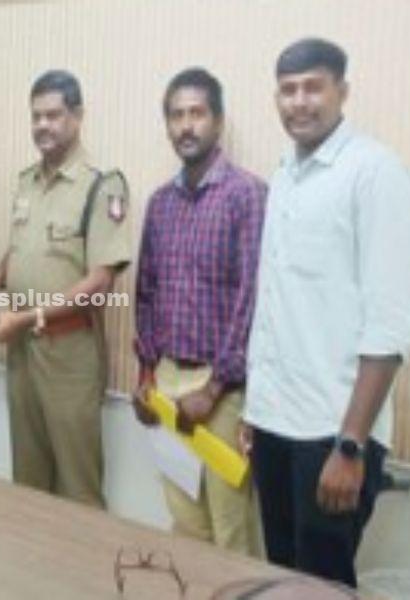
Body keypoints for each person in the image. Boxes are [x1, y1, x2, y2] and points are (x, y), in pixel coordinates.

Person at [244, 38, 410, 587]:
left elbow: (390, 326)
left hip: (332, 432)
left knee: (322, 585)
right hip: (275, 422)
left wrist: (351, 445)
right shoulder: (284, 174)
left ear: (343, 91)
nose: (299, 102)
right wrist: (256, 409)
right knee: (280, 577)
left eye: (313, 87)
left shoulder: (375, 172)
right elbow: (276, 302)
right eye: (287, 90)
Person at [0, 70, 132, 508]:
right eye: (36, 116)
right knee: (28, 479)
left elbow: (100, 282)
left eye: (53, 115)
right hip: (22, 351)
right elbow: (24, 246)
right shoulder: (26, 181)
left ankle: (81, 558)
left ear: (77, 116)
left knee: (77, 484)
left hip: (68, 354)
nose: (43, 125)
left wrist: (29, 316)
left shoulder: (102, 185)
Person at [131, 68, 266, 554]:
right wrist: (146, 375)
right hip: (167, 381)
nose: (186, 125)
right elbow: (146, 291)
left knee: (231, 529)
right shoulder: (159, 203)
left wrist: (213, 390)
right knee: (185, 522)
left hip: (225, 389)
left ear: (218, 121)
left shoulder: (247, 195)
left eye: (197, 113)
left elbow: (252, 298)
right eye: (176, 115)